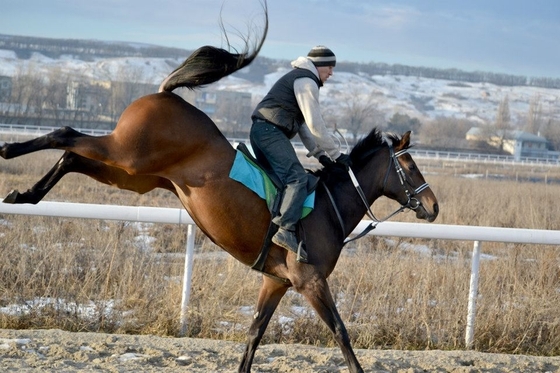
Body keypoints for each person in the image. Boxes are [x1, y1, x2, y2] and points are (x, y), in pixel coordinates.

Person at [250, 45, 352, 263]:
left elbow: (303, 126)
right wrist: (336, 154)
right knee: (296, 177)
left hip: (263, 130)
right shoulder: (307, 81)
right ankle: (285, 230)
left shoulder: (301, 78)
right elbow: (316, 125)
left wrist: (319, 154)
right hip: (270, 131)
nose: (331, 73)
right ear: (320, 66)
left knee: (284, 180)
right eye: (330, 68)